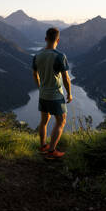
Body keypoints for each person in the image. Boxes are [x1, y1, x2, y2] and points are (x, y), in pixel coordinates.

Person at [32, 28, 72, 159]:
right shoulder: (60, 56)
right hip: (55, 95)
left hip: (43, 95)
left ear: (45, 39)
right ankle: (51, 151)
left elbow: (35, 74)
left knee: (44, 121)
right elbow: (66, 78)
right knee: (61, 121)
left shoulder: (37, 56)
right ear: (58, 40)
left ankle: (43, 146)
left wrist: (40, 87)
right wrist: (69, 93)